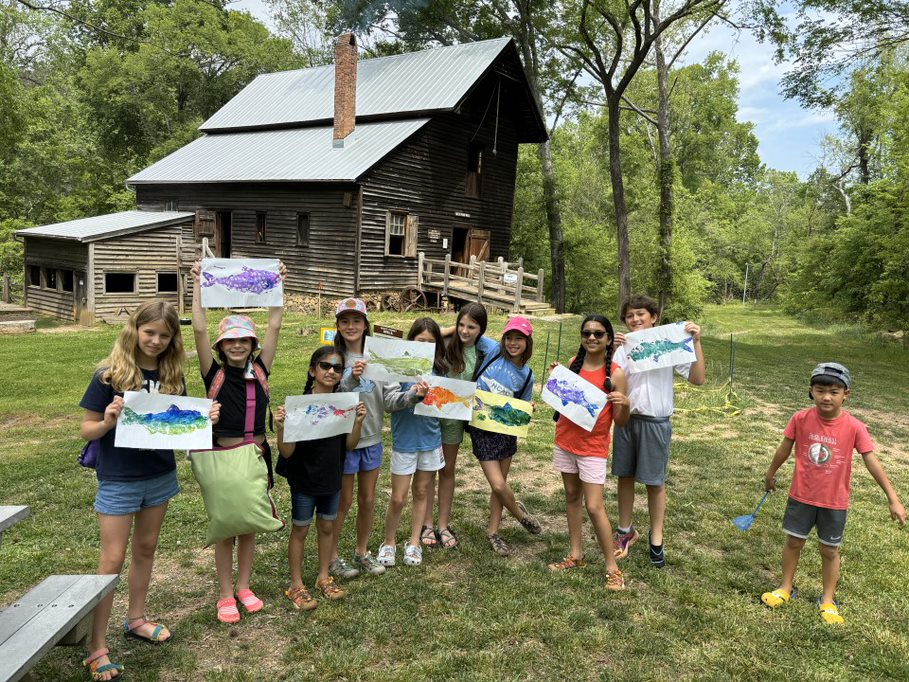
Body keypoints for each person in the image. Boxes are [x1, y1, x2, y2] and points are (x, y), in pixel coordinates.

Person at [80, 300, 220, 681]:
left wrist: (202, 417)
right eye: (149, 332)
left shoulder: (173, 376)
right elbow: (87, 430)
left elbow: (183, 425)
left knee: (145, 549)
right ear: (134, 331)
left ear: (173, 338)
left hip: (159, 475)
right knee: (111, 561)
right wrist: (108, 420)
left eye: (164, 334)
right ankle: (97, 646)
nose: (156, 341)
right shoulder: (109, 375)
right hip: (119, 477)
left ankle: (136, 618)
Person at [761, 362, 906, 624]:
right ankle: (785, 588)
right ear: (811, 391)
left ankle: (827, 600)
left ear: (845, 394)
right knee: (794, 542)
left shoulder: (855, 427)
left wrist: (893, 498)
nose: (826, 397)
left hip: (834, 503)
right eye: (820, 390)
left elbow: (872, 461)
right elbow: (784, 448)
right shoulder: (800, 419)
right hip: (801, 497)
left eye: (834, 391)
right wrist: (770, 473)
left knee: (830, 551)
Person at [191, 261, 284, 623]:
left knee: (250, 524)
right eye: (229, 341)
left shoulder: (261, 369)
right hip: (222, 457)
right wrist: (197, 285)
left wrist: (277, 287)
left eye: (243, 340)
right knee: (226, 526)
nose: (237, 346)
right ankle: (225, 593)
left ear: (252, 344)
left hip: (256, 456)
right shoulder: (212, 373)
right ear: (220, 346)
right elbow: (198, 328)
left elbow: (275, 324)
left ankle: (245, 586)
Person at [610, 294, 705, 568]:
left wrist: (696, 342)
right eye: (629, 316)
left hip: (655, 421)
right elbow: (609, 380)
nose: (635, 319)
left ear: (654, 317)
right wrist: (610, 351)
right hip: (626, 419)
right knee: (624, 476)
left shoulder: (669, 345)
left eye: (640, 314)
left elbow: (698, 379)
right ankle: (625, 531)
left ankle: (657, 539)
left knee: (655, 482)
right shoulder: (623, 347)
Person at [331, 298, 423, 578]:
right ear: (337, 325)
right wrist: (350, 380)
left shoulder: (380, 357)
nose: (351, 326)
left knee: (368, 500)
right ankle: (332, 556)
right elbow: (327, 398)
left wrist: (413, 396)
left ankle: (362, 552)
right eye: (344, 321)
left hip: (371, 440)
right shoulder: (333, 358)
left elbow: (390, 400)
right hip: (343, 442)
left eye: (356, 320)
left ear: (365, 324)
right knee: (344, 502)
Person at [276, 347, 367, 608]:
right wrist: (282, 429)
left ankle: (323, 577)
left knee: (327, 526)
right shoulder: (299, 406)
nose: (331, 371)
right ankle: (296, 585)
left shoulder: (344, 404)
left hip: (331, 476)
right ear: (312, 370)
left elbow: (350, 445)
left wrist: (358, 422)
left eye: (337, 368)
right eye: (325, 366)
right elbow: (287, 451)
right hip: (304, 478)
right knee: (301, 529)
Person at [548, 315, 630, 591]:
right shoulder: (574, 363)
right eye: (587, 334)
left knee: (594, 506)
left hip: (593, 448)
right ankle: (576, 554)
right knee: (572, 497)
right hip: (566, 440)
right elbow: (564, 399)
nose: (592, 338)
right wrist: (556, 379)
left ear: (608, 339)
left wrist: (624, 404)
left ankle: (612, 567)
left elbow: (620, 421)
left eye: (598, 334)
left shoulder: (616, 374)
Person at [423, 302, 498, 549]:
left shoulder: (485, 350)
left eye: (472, 327)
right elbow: (421, 337)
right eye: (461, 324)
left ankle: (443, 525)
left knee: (447, 469)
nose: (465, 331)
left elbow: (508, 353)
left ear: (481, 329)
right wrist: (447, 330)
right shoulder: (444, 344)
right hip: (431, 417)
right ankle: (426, 523)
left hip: (454, 421)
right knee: (427, 470)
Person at [467, 315, 542, 556]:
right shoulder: (492, 351)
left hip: (505, 432)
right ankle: (521, 516)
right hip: (481, 428)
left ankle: (493, 532)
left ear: (527, 342)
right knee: (498, 484)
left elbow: (520, 406)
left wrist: (528, 409)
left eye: (518, 338)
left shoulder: (527, 375)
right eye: (509, 337)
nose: (512, 343)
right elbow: (468, 333)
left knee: (499, 487)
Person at [376, 319, 442, 568]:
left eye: (431, 342)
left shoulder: (439, 370)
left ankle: (414, 542)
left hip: (430, 440)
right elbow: (389, 403)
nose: (425, 346)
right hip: (405, 441)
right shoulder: (397, 368)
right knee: (398, 497)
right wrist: (413, 395)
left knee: (422, 491)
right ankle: (389, 541)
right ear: (411, 341)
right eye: (420, 341)